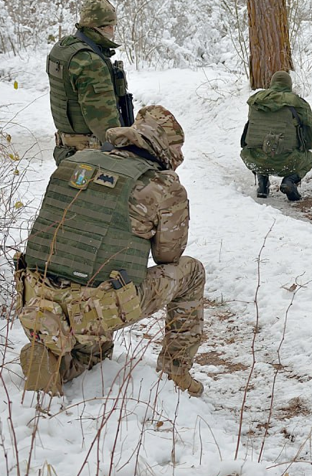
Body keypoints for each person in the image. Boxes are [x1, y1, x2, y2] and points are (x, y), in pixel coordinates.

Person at [15, 105, 205, 397]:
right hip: (94, 305)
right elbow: (169, 256)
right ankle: (176, 371)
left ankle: (53, 362)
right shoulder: (162, 185)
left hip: (35, 292)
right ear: (167, 147)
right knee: (191, 272)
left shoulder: (78, 161)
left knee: (98, 354)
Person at [47, 0, 133, 165]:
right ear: (103, 26)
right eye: (111, 25)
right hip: (90, 154)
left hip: (66, 148)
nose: (112, 30)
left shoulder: (62, 48)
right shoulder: (90, 62)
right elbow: (104, 122)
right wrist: (122, 149)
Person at [240, 71, 312, 201]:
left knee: (261, 146)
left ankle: (262, 183)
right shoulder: (297, 103)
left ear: (272, 84)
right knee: (310, 159)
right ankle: (289, 181)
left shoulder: (257, 101)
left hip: (253, 158)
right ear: (289, 85)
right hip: (287, 161)